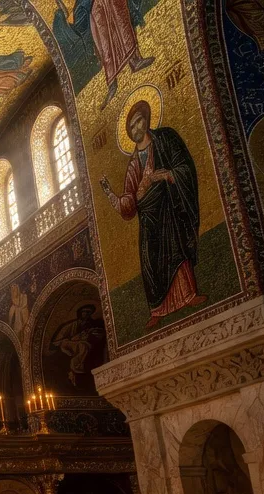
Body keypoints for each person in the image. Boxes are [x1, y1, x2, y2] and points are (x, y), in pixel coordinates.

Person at [100, 99, 204, 330]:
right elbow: (129, 201)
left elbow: (185, 166)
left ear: (147, 120)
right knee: (150, 262)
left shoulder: (165, 140)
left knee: (176, 250)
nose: (136, 129)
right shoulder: (133, 165)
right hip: (148, 219)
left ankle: (188, 295)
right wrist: (110, 194)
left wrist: (168, 175)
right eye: (132, 127)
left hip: (169, 208)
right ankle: (157, 310)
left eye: (139, 122)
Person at [59, 0, 154, 107]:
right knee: (104, 44)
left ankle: (135, 60)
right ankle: (112, 83)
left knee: (123, 24)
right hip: (95, 7)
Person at [48, 304, 106, 389]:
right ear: (80, 313)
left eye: (88, 312)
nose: (86, 314)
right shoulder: (73, 325)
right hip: (72, 344)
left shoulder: (94, 324)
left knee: (86, 346)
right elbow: (59, 338)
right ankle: (77, 366)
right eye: (84, 312)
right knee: (83, 345)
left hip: (85, 345)